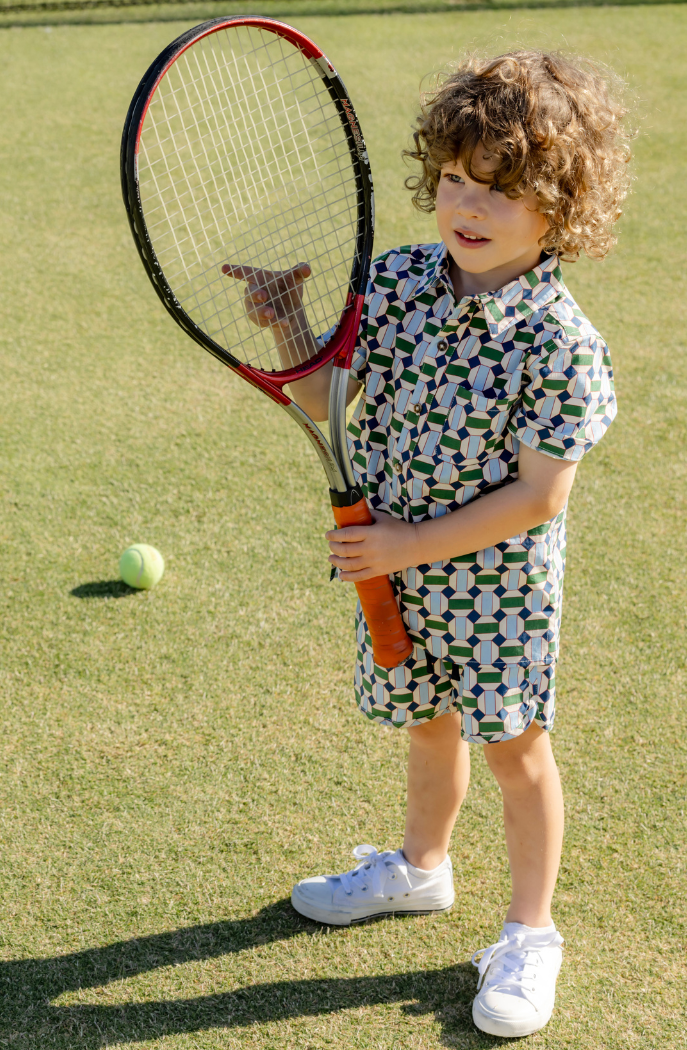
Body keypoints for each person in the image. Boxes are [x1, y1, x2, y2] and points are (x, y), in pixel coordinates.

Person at [230, 50, 631, 1038]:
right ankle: (419, 868)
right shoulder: (402, 280)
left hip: (495, 591)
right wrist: (292, 330)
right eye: (454, 178)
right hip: (403, 574)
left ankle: (531, 933)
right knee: (428, 726)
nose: (467, 204)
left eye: (498, 189)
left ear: (560, 208)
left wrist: (407, 544)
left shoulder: (560, 342)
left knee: (514, 749)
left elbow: (539, 499)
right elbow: (328, 398)